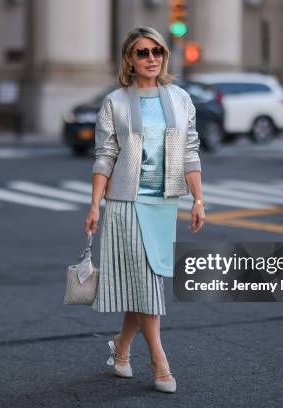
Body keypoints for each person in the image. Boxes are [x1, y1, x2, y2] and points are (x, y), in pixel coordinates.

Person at [83, 26, 205, 394]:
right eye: (142, 52)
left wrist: (198, 199)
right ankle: (159, 362)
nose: (151, 58)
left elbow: (190, 151)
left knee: (143, 281)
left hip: (164, 203)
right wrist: (93, 205)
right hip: (126, 202)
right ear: (129, 60)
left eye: (157, 51)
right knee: (148, 281)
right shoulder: (115, 102)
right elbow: (105, 156)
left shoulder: (181, 98)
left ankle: (121, 347)